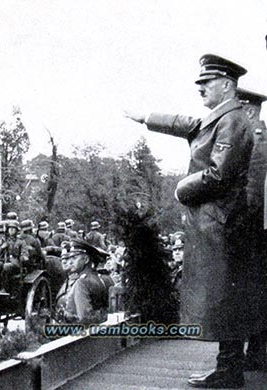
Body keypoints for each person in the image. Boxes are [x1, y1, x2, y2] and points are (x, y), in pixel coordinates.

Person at [125, 54, 254, 388]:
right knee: (225, 298)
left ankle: (229, 372)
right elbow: (189, 123)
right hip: (219, 224)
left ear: (226, 85)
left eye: (206, 83)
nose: (200, 89)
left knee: (226, 299)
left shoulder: (232, 120)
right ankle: (228, 368)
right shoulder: (224, 116)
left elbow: (219, 174)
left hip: (221, 225)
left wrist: (183, 188)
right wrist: (147, 118)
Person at [237, 88, 267, 371]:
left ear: (248, 109)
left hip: (254, 229)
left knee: (254, 293)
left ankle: (257, 354)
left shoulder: (255, 139)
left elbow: (253, 190)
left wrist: (242, 224)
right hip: (259, 228)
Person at [63, 239, 110, 325]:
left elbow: (85, 319)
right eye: (70, 258)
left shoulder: (82, 283)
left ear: (86, 260)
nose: (70, 262)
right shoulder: (96, 277)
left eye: (74, 258)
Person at [0, 220, 29, 294]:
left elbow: (25, 254)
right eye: (10, 228)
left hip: (15, 263)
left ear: (16, 230)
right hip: (3, 260)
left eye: (13, 228)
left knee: (6, 266)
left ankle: (5, 288)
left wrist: (23, 257)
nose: (11, 230)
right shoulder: (3, 240)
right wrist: (2, 247)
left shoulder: (21, 241)